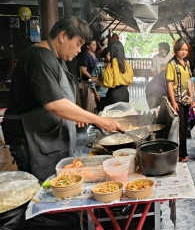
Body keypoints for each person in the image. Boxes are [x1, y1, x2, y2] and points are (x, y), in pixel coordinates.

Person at [1, 17, 119, 181]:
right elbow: (54, 104)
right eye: (78, 44)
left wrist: (77, 115)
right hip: (28, 136)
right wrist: (97, 120)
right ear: (63, 35)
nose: (79, 50)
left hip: (44, 135)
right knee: (38, 185)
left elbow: (61, 96)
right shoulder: (39, 58)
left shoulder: (56, 59)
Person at [166, 38, 193, 162]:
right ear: (176, 50)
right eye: (181, 49)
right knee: (181, 127)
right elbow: (170, 84)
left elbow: (189, 81)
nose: (184, 52)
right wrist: (173, 101)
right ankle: (182, 154)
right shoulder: (171, 64)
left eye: (186, 50)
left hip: (187, 99)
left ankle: (182, 151)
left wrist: (192, 96)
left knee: (185, 126)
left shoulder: (187, 63)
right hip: (178, 99)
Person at [103, 41, 134, 105]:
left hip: (114, 94)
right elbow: (130, 80)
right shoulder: (127, 64)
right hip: (125, 94)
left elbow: (108, 83)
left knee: (113, 114)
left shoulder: (110, 66)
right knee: (124, 114)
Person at [79, 39, 100, 113]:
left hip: (94, 82)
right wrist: (93, 78)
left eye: (96, 44)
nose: (95, 46)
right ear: (88, 46)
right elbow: (83, 70)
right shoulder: (86, 56)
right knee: (89, 104)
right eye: (93, 45)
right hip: (87, 82)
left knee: (94, 104)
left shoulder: (94, 55)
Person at [89, 47, 110, 112]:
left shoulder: (113, 66)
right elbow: (92, 80)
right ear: (104, 55)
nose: (110, 57)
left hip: (110, 94)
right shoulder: (99, 66)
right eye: (109, 55)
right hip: (101, 94)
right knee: (101, 112)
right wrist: (95, 93)